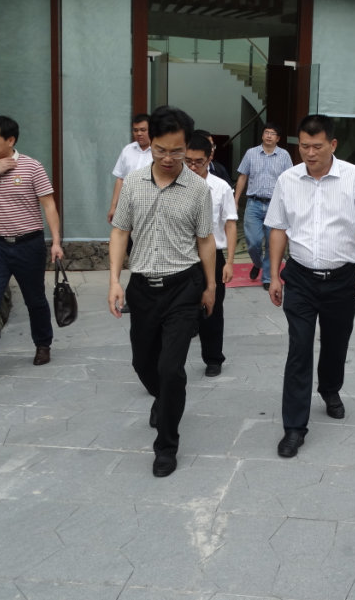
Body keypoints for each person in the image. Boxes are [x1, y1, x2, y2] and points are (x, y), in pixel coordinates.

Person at [265, 114, 355, 459]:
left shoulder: (354, 178)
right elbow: (278, 229)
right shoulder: (288, 179)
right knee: (299, 348)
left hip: (342, 278)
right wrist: (274, 275)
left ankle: (330, 389)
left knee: (335, 343)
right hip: (300, 278)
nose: (310, 153)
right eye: (304, 146)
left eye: (317, 146)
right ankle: (294, 427)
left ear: (332, 144)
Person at [107, 105, 216, 478]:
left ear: (187, 146)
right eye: (160, 150)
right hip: (142, 288)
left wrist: (210, 286)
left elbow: (205, 240)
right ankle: (165, 397)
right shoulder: (133, 183)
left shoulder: (198, 189)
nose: (168, 158)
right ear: (149, 143)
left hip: (183, 287)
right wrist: (114, 281)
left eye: (177, 151)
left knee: (171, 369)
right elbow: (120, 232)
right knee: (143, 363)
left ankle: (166, 446)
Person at [0, 116, 64, 383]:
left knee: (35, 299)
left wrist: (56, 242)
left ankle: (43, 344)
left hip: (28, 245)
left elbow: (49, 205)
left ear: (10, 140)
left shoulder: (32, 167)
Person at [185, 134, 238, 377]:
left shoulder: (221, 187)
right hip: (183, 255)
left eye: (199, 162)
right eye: (188, 161)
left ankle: (213, 358)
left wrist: (230, 261)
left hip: (213, 256)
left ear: (210, 158)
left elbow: (230, 224)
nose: (193, 167)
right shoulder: (175, 183)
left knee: (212, 308)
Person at [234, 122, 292, 289]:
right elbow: (242, 177)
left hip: (275, 205)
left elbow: (290, 181)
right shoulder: (251, 153)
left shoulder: (284, 156)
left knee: (272, 244)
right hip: (254, 203)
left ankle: (267, 278)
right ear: (262, 135)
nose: (269, 136)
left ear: (278, 138)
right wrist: (235, 200)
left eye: (272, 134)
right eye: (266, 132)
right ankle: (257, 263)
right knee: (253, 241)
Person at [107, 113, 151, 223]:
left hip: (149, 208)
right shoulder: (128, 150)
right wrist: (113, 207)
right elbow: (120, 179)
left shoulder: (158, 152)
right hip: (127, 206)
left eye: (143, 130)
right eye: (135, 130)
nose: (139, 133)